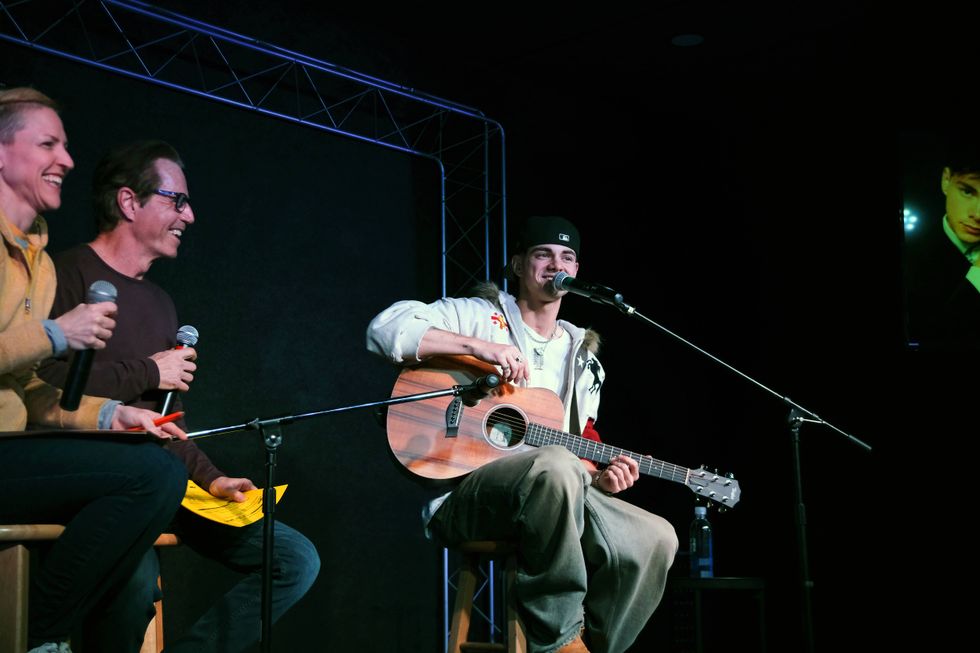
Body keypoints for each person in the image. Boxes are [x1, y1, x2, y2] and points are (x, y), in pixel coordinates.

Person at [37, 139, 320, 653]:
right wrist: (148, 370)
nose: (189, 216)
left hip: (165, 482)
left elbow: (165, 418)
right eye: (178, 201)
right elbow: (45, 385)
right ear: (129, 202)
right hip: (98, 487)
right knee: (134, 585)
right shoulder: (66, 273)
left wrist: (212, 479)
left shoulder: (161, 301)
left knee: (295, 559)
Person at [366, 215, 678, 653]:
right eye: (543, 254)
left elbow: (577, 442)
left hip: (553, 490)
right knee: (557, 465)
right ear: (517, 265)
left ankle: (597, 646)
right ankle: (557, 637)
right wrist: (479, 347)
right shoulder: (476, 317)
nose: (556, 264)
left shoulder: (584, 359)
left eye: (567, 257)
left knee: (656, 536)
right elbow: (384, 330)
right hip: (464, 495)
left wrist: (599, 479)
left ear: (577, 271)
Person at [0, 87, 188, 653]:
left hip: (14, 451)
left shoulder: (36, 260)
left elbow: (32, 388)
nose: (67, 159)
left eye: (65, 146)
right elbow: (48, 356)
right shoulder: (61, 269)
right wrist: (58, 333)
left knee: (150, 492)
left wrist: (111, 415)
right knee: (152, 476)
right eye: (48, 144)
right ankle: (39, 636)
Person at [904, 137, 980, 351]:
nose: (978, 214)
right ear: (946, 180)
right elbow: (931, 336)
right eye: (967, 191)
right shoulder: (911, 256)